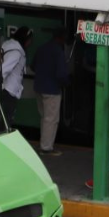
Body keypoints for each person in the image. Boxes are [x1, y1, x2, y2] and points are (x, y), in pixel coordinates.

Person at [32, 28, 69, 156]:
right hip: (52, 90)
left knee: (44, 118)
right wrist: (66, 83)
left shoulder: (42, 48)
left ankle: (44, 144)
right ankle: (46, 148)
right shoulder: (58, 51)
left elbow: (33, 66)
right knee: (51, 120)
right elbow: (61, 74)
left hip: (39, 87)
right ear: (62, 38)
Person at [0, 26, 32, 126]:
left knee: (1, 122)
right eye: (30, 40)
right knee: (5, 124)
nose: (30, 43)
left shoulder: (8, 45)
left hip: (6, 91)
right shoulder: (16, 53)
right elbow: (3, 70)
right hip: (8, 93)